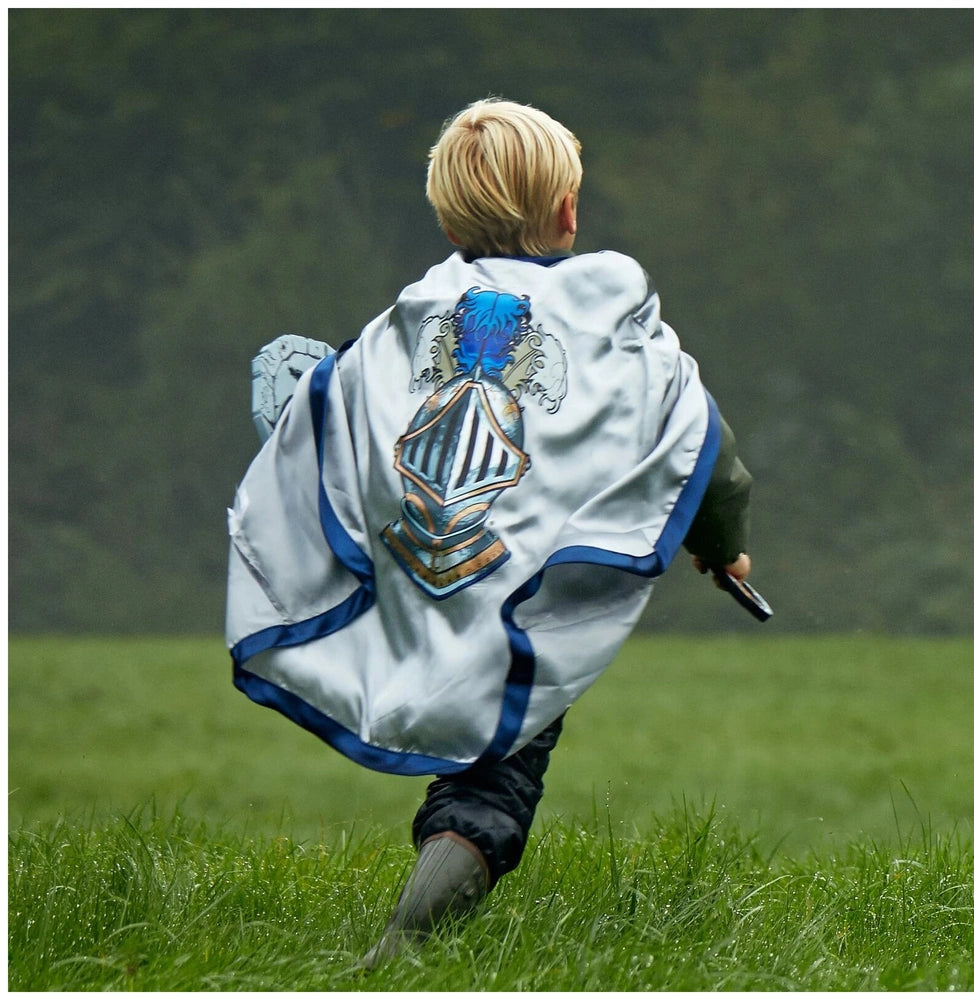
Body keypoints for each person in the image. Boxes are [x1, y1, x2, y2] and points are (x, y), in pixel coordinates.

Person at [225, 98, 754, 968]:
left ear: (446, 213)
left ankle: (414, 922)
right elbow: (700, 439)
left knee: (478, 759)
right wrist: (719, 541)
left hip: (413, 575)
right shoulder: (612, 320)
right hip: (527, 589)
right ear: (569, 212)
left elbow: (339, 414)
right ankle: (402, 948)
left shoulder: (411, 319)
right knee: (495, 774)